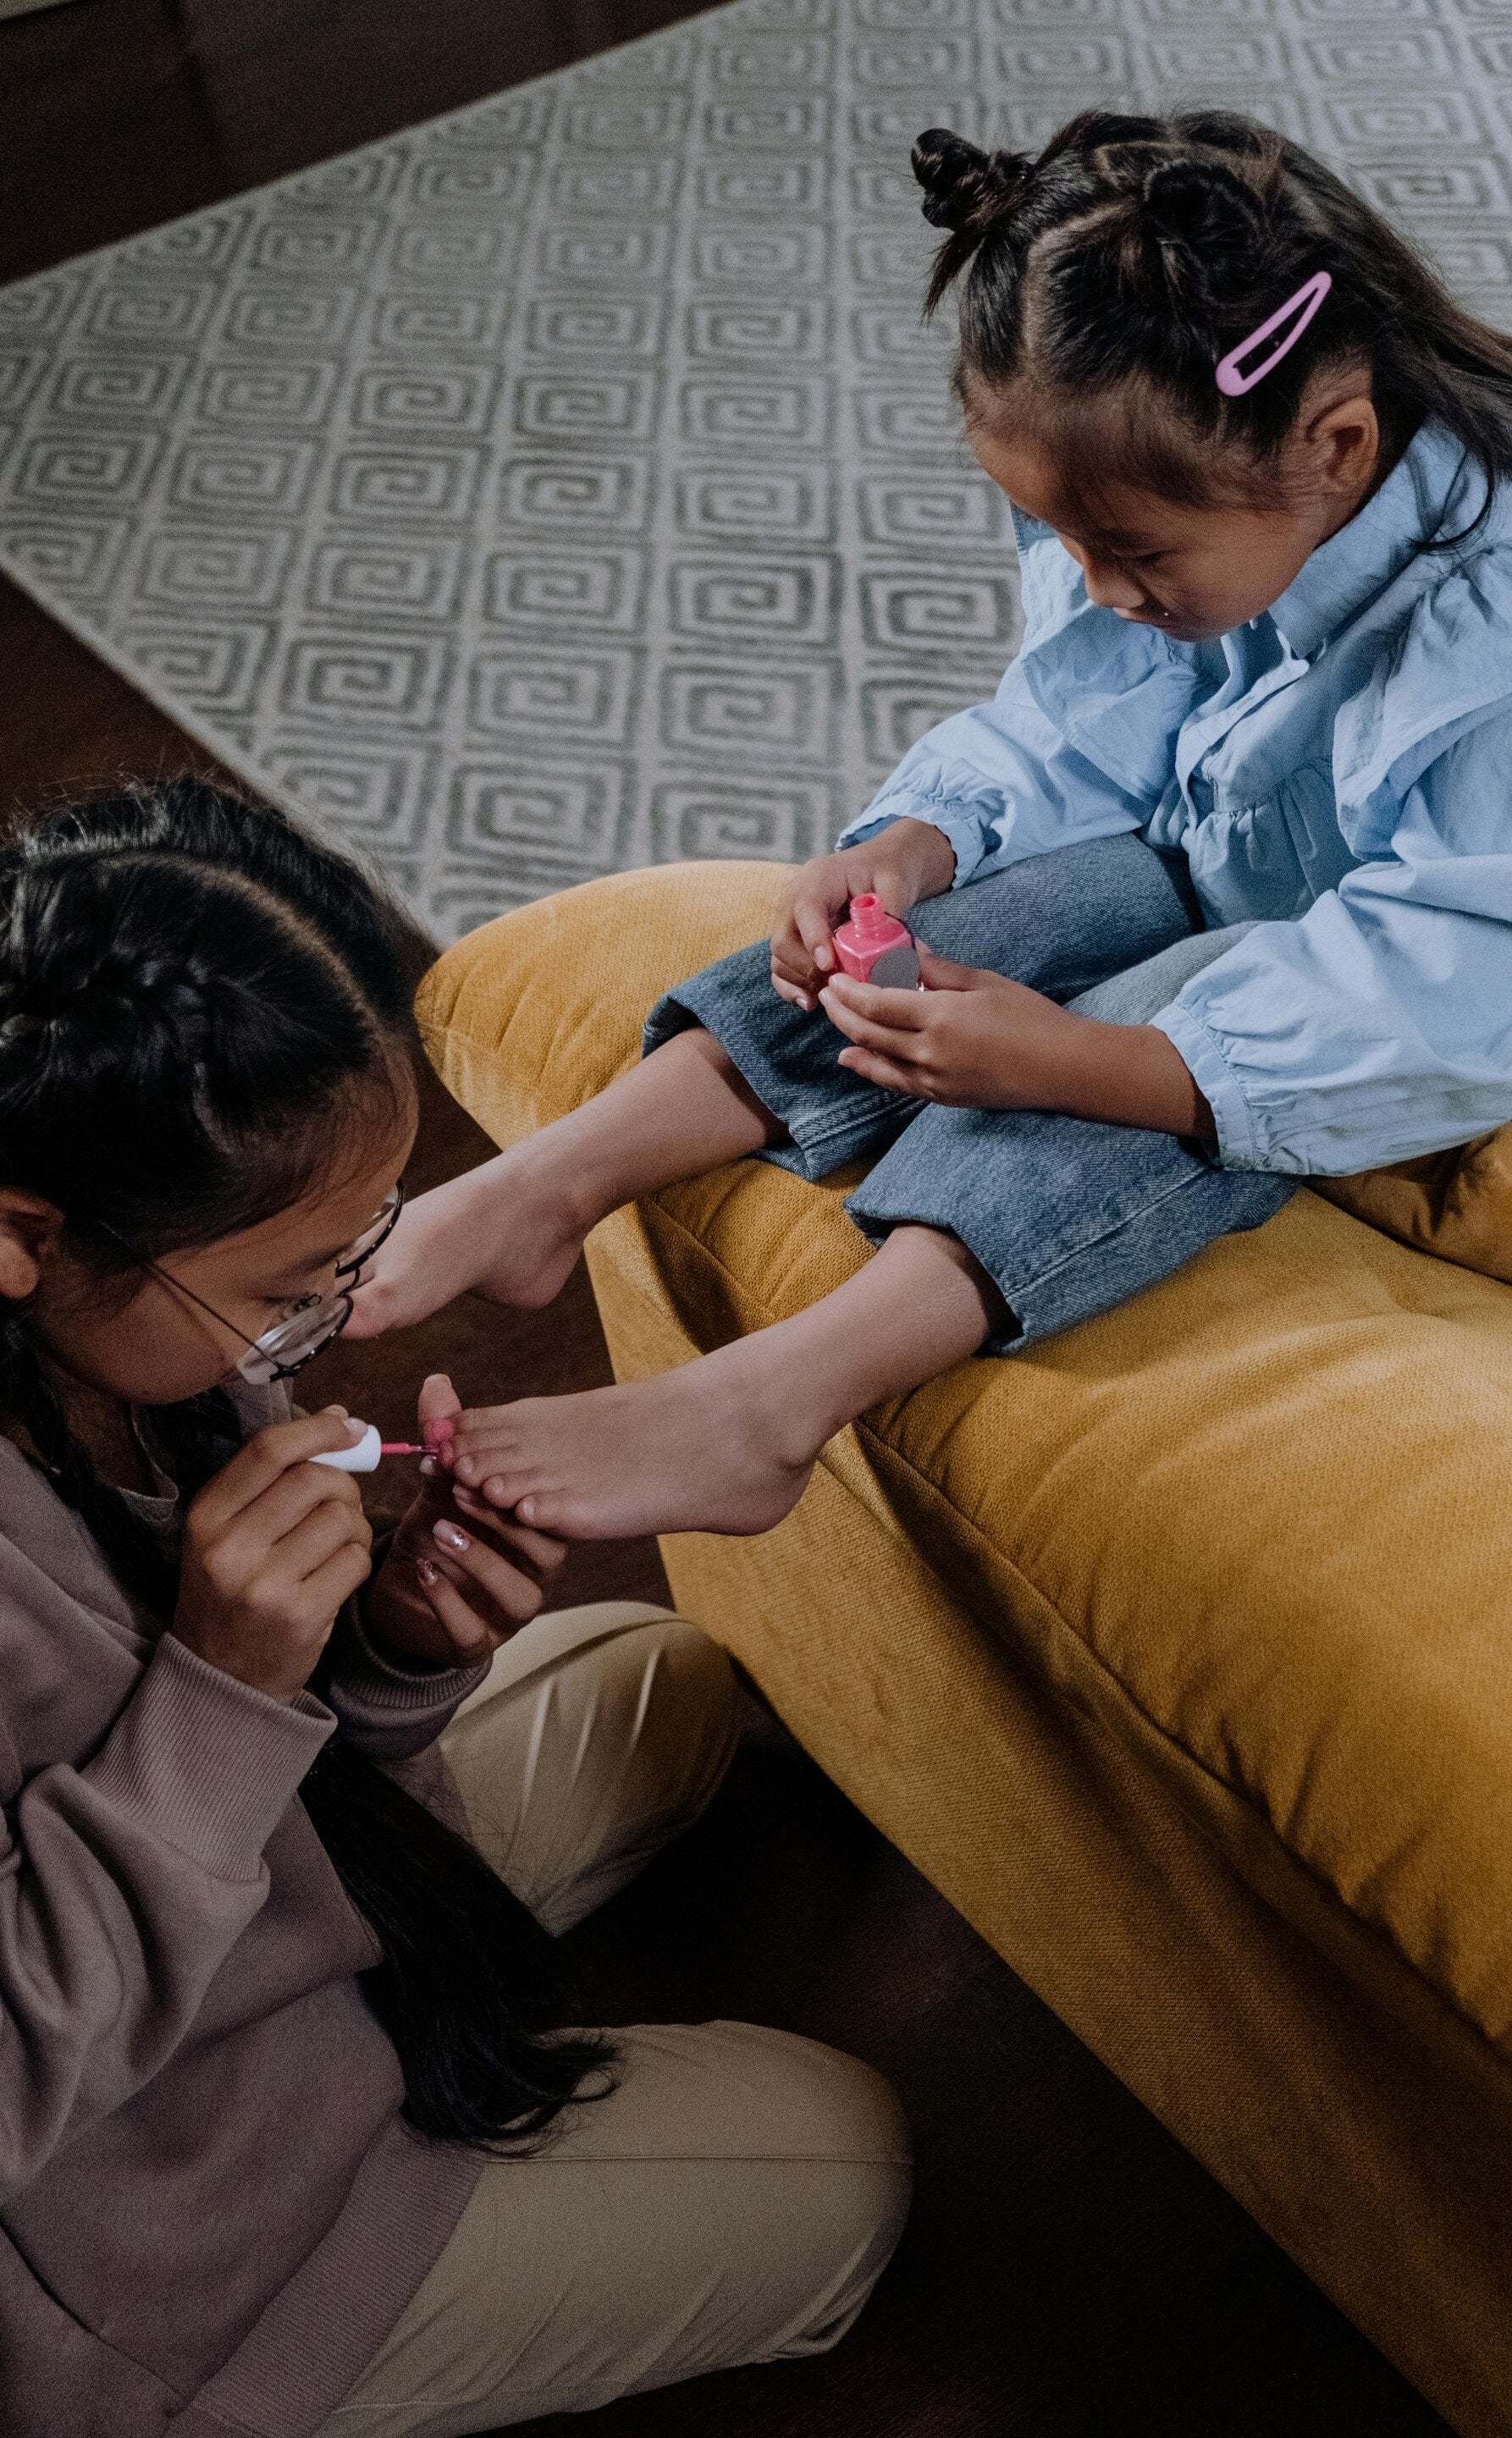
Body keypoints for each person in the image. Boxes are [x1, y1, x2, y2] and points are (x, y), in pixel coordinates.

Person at [346, 107, 1512, 1546]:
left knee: (1183, 995)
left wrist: (1092, 1059)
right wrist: (918, 842)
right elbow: (1092, 717)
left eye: (1130, 555)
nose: (1098, 585)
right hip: (1288, 887)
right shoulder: (1214, 509)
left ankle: (767, 1408)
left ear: (1337, 444)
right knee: (1029, 907)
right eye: (1067, 544)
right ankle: (551, 1181)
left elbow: (1449, 978)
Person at [0, 780, 910, 2438]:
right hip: (150, 2255)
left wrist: (399, 1647)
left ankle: (389, 1991)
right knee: (847, 2161)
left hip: (264, 1932)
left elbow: (278, 1753)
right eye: (293, 1290)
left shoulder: (133, 1339)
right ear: (20, 1234)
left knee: (663, 1677)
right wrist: (225, 1681)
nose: (333, 1325)